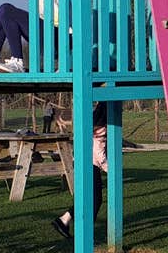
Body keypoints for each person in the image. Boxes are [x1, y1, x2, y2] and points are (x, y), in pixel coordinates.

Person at [52, 102, 108, 239]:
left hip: (82, 162)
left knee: (89, 198)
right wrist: (109, 169)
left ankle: (64, 219)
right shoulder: (100, 129)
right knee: (96, 199)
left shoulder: (92, 125)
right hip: (90, 164)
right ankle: (85, 232)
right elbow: (98, 152)